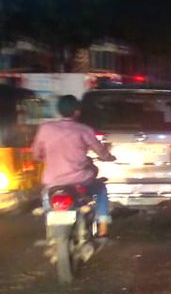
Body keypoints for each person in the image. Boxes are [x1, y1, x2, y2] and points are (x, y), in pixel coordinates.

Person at [31, 95, 117, 237]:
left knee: (46, 195)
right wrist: (109, 157)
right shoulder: (84, 130)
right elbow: (100, 151)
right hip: (80, 180)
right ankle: (103, 227)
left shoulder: (45, 128)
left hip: (53, 181)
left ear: (59, 111)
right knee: (101, 188)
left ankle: (49, 221)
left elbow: (36, 154)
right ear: (77, 112)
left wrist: (46, 158)